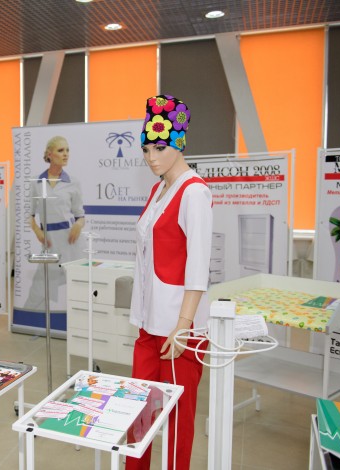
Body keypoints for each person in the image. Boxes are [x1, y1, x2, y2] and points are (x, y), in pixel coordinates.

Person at [127, 95, 213, 469]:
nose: (151, 157)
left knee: (178, 417)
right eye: (146, 149)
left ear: (179, 143)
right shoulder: (159, 189)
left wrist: (184, 326)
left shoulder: (195, 192)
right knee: (139, 410)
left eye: (159, 147)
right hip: (149, 321)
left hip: (179, 327)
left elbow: (199, 264)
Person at [23, 135, 85, 310]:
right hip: (50, 242)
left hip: (71, 242)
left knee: (78, 287)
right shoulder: (37, 182)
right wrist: (37, 231)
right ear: (49, 154)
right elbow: (29, 214)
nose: (66, 154)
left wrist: (78, 225)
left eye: (67, 150)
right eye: (60, 150)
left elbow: (80, 215)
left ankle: (78, 322)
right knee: (39, 289)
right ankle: (29, 321)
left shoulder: (73, 182)